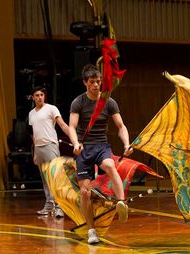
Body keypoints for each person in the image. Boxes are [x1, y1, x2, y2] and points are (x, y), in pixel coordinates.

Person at [68, 64, 133, 244]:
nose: (96, 85)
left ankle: (121, 202)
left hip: (101, 146)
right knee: (85, 193)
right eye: (92, 82)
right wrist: (75, 143)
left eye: (98, 81)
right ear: (85, 83)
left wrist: (126, 144)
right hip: (84, 149)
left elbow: (121, 126)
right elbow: (72, 127)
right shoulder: (78, 102)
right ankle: (91, 230)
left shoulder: (109, 102)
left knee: (111, 165)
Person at [29, 87, 71, 218]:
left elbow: (63, 125)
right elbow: (35, 135)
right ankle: (49, 204)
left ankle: (60, 206)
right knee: (45, 178)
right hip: (39, 147)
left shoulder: (52, 109)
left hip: (50, 146)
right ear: (33, 97)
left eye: (42, 95)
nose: (40, 97)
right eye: (37, 95)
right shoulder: (31, 114)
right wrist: (35, 152)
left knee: (55, 176)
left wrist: (74, 138)